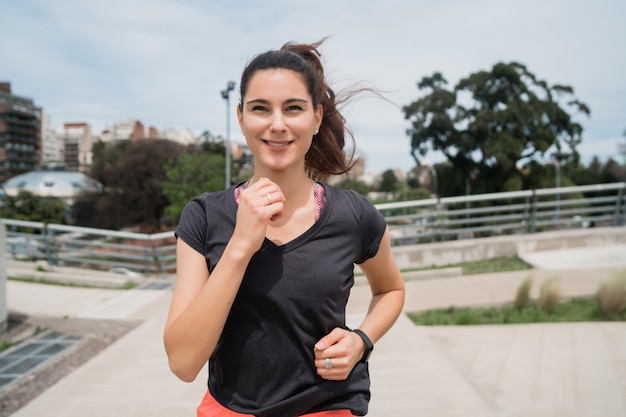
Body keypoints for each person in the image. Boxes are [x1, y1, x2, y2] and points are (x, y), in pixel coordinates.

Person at [164, 39, 405, 417]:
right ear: (241, 118)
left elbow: (391, 289)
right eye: (261, 109)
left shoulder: (353, 215)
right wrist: (241, 244)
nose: (277, 125)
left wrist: (361, 340)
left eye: (293, 108)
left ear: (316, 118)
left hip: (330, 406)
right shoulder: (203, 217)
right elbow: (183, 362)